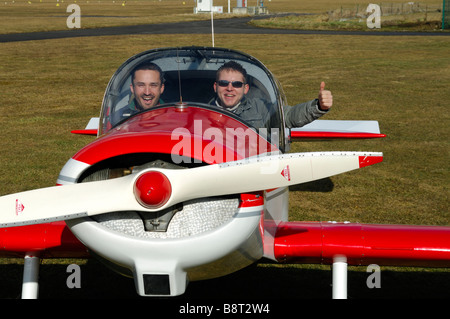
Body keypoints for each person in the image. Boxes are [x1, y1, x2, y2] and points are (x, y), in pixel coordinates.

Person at [212, 61, 333, 129]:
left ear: (245, 89)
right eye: (223, 83)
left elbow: (289, 116)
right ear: (215, 86)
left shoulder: (260, 109)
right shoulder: (199, 110)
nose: (229, 88)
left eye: (237, 84)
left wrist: (318, 106)